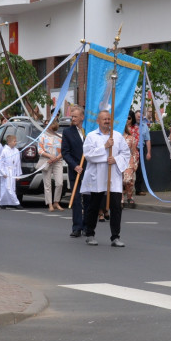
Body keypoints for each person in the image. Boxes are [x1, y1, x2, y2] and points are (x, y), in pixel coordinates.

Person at [81, 110, 130, 247]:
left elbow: (126, 153)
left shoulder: (118, 136)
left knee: (116, 207)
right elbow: (88, 155)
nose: (107, 121)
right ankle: (90, 233)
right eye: (104, 119)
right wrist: (105, 148)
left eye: (109, 119)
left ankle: (115, 236)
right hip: (97, 176)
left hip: (113, 176)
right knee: (94, 205)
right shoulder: (91, 136)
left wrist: (116, 159)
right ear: (98, 121)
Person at [61, 105, 87, 237]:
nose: (73, 119)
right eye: (72, 116)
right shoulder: (67, 132)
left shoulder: (88, 131)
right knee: (76, 199)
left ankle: (87, 226)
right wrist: (75, 166)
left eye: (75, 116)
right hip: (75, 170)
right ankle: (77, 227)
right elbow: (65, 153)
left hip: (89, 170)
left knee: (88, 199)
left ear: (82, 117)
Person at [38, 118, 64, 212]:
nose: (48, 128)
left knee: (59, 183)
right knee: (47, 183)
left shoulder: (60, 136)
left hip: (58, 161)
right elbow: (39, 150)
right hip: (47, 161)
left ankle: (56, 202)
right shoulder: (42, 136)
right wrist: (49, 156)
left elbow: (64, 150)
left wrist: (56, 158)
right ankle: (49, 204)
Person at [0, 133, 22, 209]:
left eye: (16, 141)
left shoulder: (16, 150)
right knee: (7, 187)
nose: (16, 142)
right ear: (9, 142)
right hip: (7, 171)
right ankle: (16, 203)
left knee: (12, 188)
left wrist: (18, 175)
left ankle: (3, 203)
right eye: (14, 141)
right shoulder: (4, 151)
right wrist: (3, 172)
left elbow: (18, 163)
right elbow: (1, 163)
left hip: (13, 171)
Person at [122, 112, 140, 207]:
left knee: (127, 180)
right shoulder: (116, 137)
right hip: (117, 161)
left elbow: (134, 152)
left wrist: (135, 164)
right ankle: (121, 198)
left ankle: (129, 195)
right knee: (118, 181)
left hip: (129, 161)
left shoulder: (131, 138)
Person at [134, 110, 152, 195]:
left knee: (139, 170)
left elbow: (148, 140)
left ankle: (138, 189)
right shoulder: (131, 126)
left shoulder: (145, 126)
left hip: (140, 149)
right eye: (137, 116)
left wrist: (148, 152)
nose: (139, 118)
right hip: (130, 150)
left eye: (140, 117)